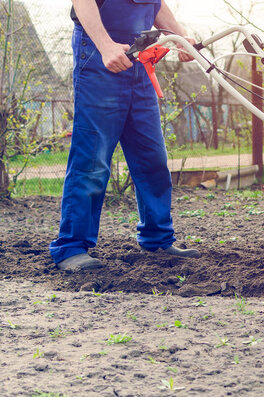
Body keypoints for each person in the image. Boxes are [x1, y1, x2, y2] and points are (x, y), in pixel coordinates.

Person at [49, 0, 200, 271]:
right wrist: (106, 46)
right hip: (99, 56)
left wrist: (181, 37)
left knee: (151, 157)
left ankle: (157, 238)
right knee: (93, 158)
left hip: (140, 58)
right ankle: (71, 247)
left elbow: (155, 4)